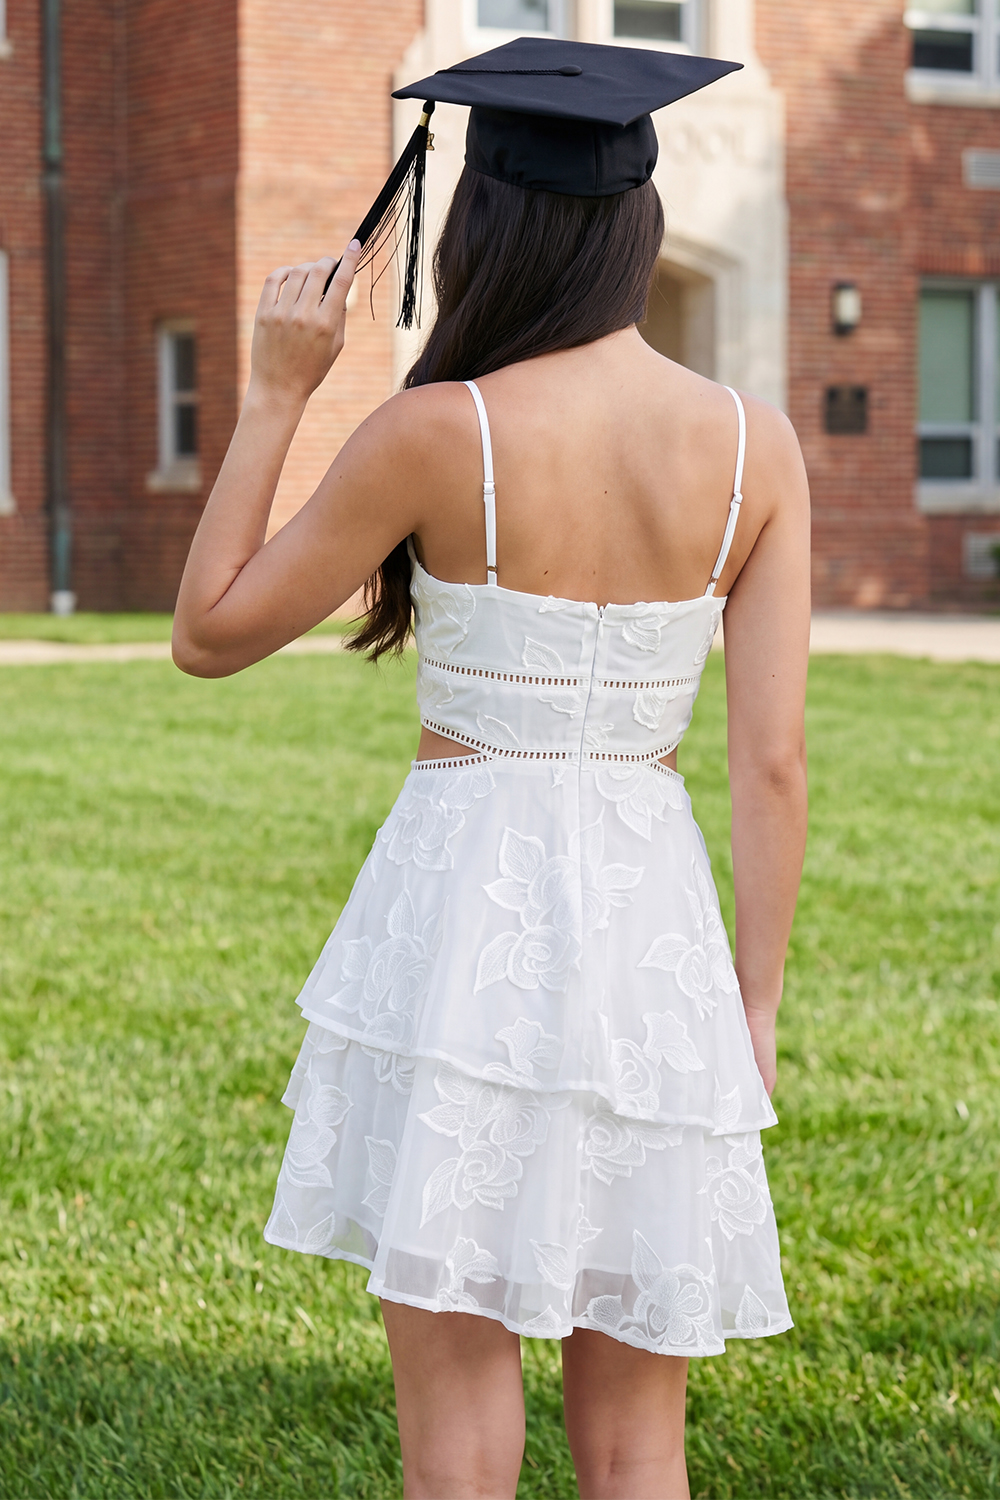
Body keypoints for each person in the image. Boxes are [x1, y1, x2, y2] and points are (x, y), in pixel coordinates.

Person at [173, 36, 810, 1500]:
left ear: (484, 228)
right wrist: (756, 1002)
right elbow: (771, 762)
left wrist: (275, 394)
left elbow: (209, 634)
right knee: (640, 1445)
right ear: (639, 227)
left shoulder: (431, 434)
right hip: (651, 932)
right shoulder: (754, 450)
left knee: (455, 1443)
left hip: (465, 927)